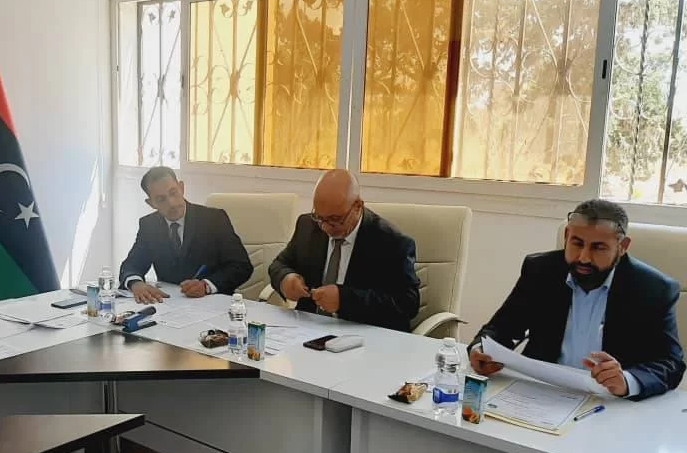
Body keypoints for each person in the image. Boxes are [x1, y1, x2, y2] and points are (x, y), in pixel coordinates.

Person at [469, 199, 684, 400]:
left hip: (608, 400)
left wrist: (627, 381)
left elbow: (671, 363)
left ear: (622, 246)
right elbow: (501, 328)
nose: (584, 257)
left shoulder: (654, 289)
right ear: (566, 236)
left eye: (598, 247)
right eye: (577, 243)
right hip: (541, 390)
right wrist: (479, 349)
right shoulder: (541, 270)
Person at [268, 170, 420, 331]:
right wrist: (286, 280)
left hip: (363, 334)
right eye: (319, 217)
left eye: (335, 219)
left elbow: (408, 303)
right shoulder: (308, 226)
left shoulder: (391, 242)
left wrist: (345, 300)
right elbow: (279, 264)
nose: (325, 227)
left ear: (357, 207)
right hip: (308, 330)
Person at [119, 166, 253, 303]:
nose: (171, 203)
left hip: (212, 302)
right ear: (151, 203)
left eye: (173, 193)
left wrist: (206, 285)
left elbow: (242, 266)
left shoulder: (213, 219)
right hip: (170, 304)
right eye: (161, 199)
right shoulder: (149, 225)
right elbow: (131, 265)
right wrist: (136, 284)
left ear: (181, 188)